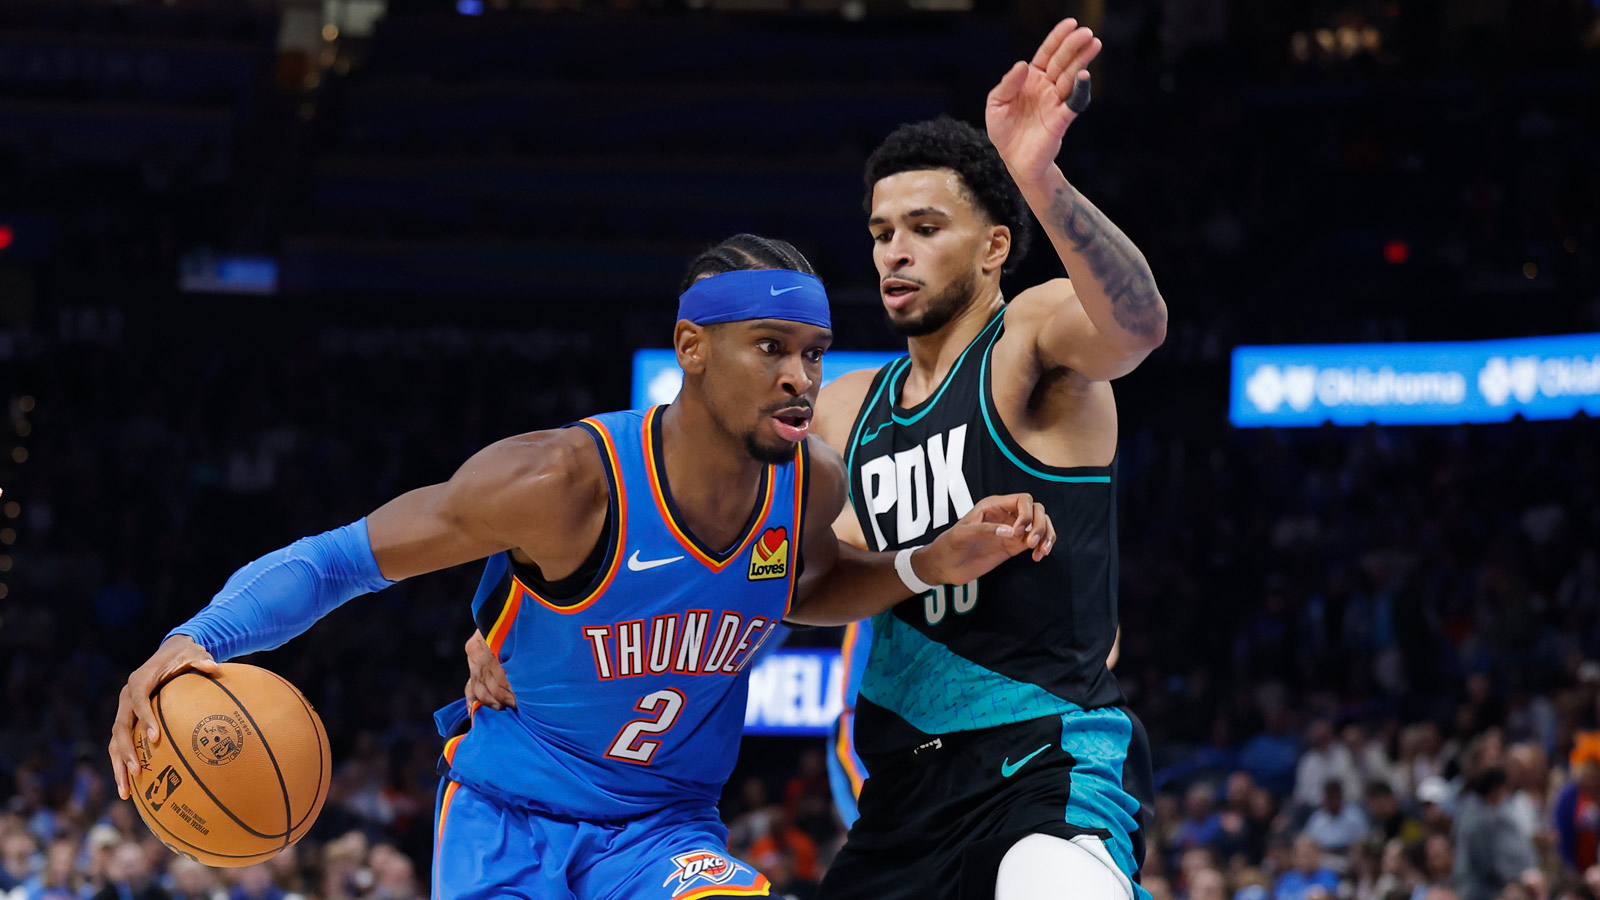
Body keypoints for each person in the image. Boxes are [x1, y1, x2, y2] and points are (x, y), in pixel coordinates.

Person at [107, 234, 1058, 899]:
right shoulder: (563, 483)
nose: (801, 379)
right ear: (691, 348)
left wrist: (927, 563)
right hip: (510, 821)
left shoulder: (809, 484)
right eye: (771, 349)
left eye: (813, 355)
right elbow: (337, 563)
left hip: (665, 832)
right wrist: (199, 637)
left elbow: (808, 589)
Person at [467, 20, 1163, 898]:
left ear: (994, 247)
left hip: (1043, 754)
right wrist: (512, 620)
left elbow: (1136, 326)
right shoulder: (840, 409)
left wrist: (1039, 179)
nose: (894, 250)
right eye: (881, 231)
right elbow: (701, 530)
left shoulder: (1027, 341)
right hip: (903, 785)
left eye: (925, 227)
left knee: (1054, 885)